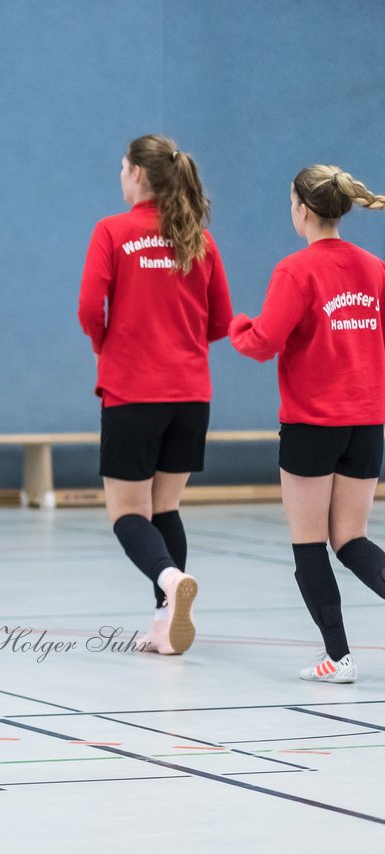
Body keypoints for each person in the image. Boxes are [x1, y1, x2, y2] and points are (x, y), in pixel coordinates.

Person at [77, 134, 232, 655]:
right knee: (165, 509)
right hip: (190, 394)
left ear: (139, 175)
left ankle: (169, 582)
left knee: (127, 513)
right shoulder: (199, 239)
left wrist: (110, 346)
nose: (120, 176)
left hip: (132, 391)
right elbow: (222, 322)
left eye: (123, 167)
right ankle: (167, 625)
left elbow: (87, 307)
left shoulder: (112, 231)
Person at [231, 165, 385, 683]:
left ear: (301, 207)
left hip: (313, 426)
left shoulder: (296, 271)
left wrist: (237, 324)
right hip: (367, 425)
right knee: (352, 539)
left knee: (309, 545)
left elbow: (263, 341)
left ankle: (339, 657)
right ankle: (336, 656)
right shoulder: (374, 269)